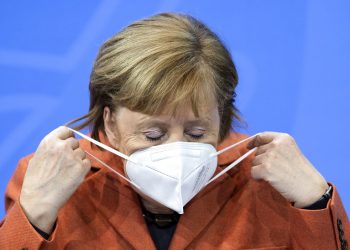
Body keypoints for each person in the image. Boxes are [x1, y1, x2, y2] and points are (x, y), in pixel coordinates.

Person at [0, 12, 348, 250]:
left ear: (222, 118)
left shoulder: (267, 182)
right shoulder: (48, 179)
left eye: (197, 133)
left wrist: (316, 202)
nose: (177, 149)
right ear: (109, 121)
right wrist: (34, 213)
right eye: (153, 135)